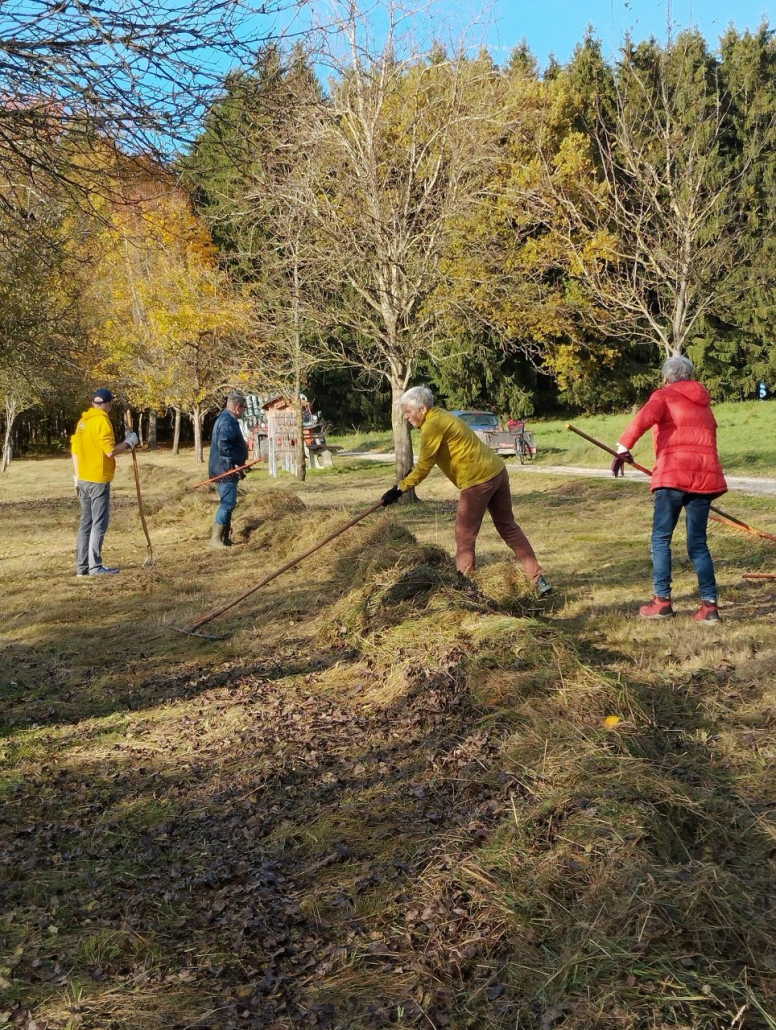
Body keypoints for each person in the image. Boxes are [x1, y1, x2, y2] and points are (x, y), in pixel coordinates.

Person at [381, 386, 551, 596]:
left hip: (477, 481)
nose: (406, 417)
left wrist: (398, 489)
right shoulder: (441, 415)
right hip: (497, 472)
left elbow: (424, 466)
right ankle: (538, 580)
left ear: (423, 409)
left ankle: (466, 589)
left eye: (408, 412)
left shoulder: (432, 425)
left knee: (464, 536)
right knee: (508, 528)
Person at [610, 355, 727, 623]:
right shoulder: (704, 404)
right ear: (690, 376)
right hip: (703, 480)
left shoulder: (663, 396)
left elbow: (643, 418)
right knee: (698, 544)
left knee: (661, 539)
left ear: (666, 377)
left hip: (673, 475)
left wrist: (623, 448)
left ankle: (662, 602)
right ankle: (710, 607)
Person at [70, 388, 139, 576]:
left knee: (86, 523)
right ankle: (95, 567)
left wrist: (77, 477)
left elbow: (75, 451)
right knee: (98, 523)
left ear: (93, 403)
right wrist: (129, 443)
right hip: (98, 480)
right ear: (109, 403)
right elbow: (109, 451)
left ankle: (82, 568)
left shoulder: (83, 422)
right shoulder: (102, 422)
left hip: (83, 479)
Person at [208, 389, 249, 548]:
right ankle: (215, 539)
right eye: (244, 408)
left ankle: (224, 537)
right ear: (238, 407)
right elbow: (223, 445)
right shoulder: (227, 421)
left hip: (225, 469)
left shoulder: (226, 419)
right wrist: (234, 463)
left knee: (229, 503)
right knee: (227, 504)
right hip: (225, 470)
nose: (244, 411)